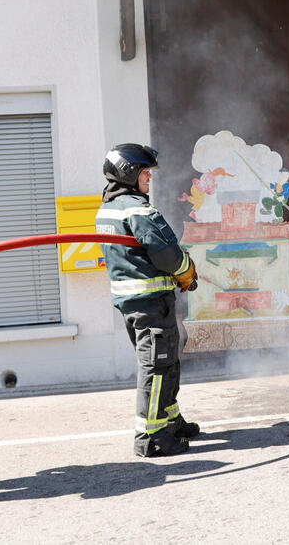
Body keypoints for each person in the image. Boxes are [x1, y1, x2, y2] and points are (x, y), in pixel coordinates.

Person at [95, 143, 200, 457]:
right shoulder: (136, 207)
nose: (149, 179)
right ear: (129, 174)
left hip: (133, 303)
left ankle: (170, 420)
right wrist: (187, 271)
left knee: (166, 363)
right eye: (145, 173)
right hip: (151, 301)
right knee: (156, 367)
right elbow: (165, 251)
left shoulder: (108, 208)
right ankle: (152, 437)